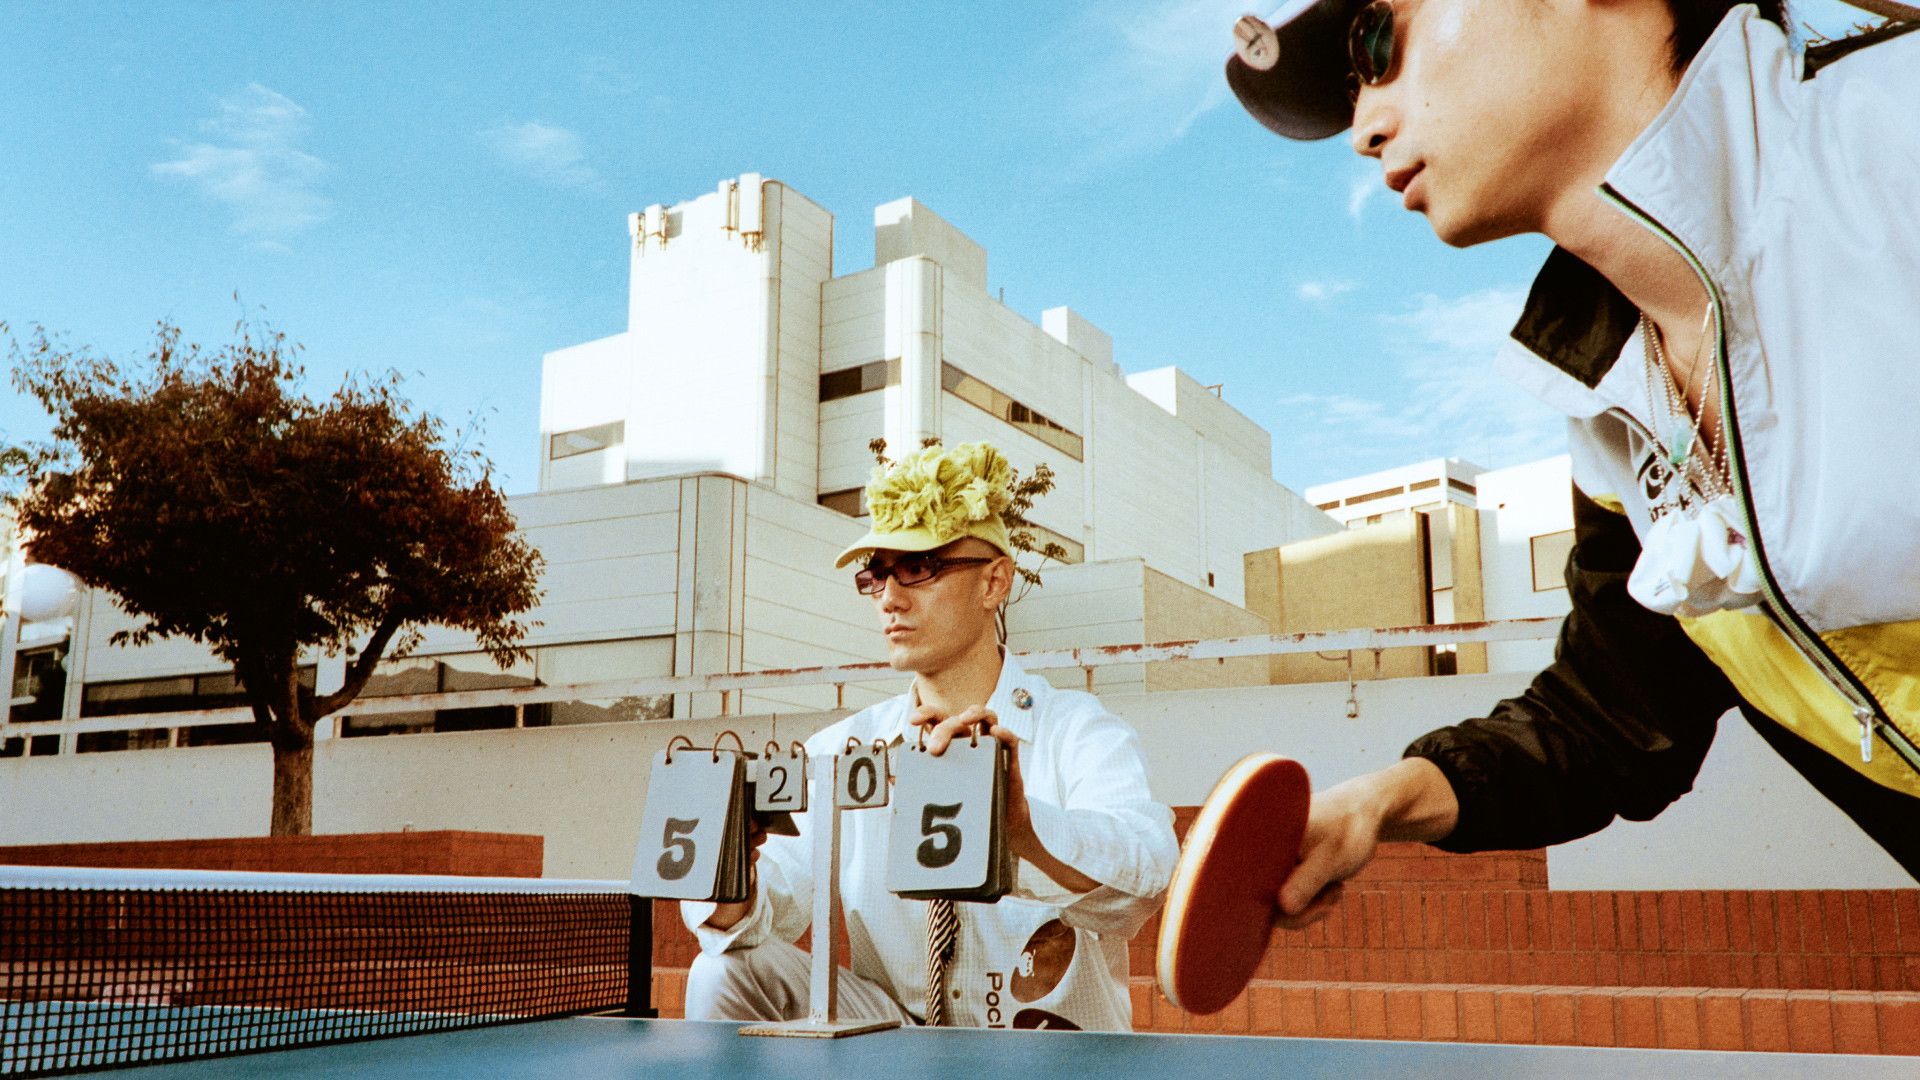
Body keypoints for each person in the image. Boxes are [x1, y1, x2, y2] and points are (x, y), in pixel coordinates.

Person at [1219, 0, 1920, 927]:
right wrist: (1381, 801)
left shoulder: (1898, 126)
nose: (1361, 128)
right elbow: (1612, 717)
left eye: (1377, 42)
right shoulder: (1611, 416)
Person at [680, 441, 1178, 1029]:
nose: (889, 597)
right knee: (722, 971)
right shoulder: (841, 750)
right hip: (896, 1043)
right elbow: (767, 910)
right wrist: (733, 875)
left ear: (994, 583)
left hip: (1048, 1061)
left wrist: (1021, 831)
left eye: (919, 568)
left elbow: (1147, 873)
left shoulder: (1076, 727)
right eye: (877, 574)